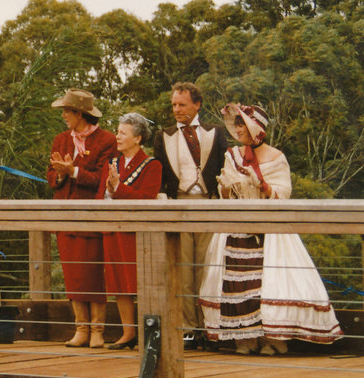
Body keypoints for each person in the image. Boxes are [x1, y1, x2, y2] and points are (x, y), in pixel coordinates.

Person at [199, 103, 342, 355]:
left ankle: (271, 338)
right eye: (238, 124)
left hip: (267, 229)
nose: (238, 129)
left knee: (266, 281)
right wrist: (228, 186)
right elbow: (225, 192)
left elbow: (283, 194)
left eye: (243, 124)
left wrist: (262, 186)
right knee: (237, 282)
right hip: (236, 228)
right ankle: (245, 338)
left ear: (257, 128)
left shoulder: (276, 157)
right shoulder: (232, 155)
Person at [152, 81, 228, 349]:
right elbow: (159, 177)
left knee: (209, 268)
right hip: (179, 205)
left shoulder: (215, 133)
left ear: (197, 104)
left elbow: (225, 169)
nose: (176, 109)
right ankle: (188, 328)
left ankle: (211, 327)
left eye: (181, 104)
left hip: (210, 204)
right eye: (173, 105)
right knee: (184, 270)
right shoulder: (164, 136)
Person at [47, 88, 118, 348]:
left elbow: (102, 179)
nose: (63, 115)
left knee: (93, 272)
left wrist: (74, 170)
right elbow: (51, 178)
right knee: (73, 272)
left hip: (92, 216)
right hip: (65, 215)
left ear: (79, 113)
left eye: (66, 111)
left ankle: (98, 330)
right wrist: (62, 174)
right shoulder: (61, 140)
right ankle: (81, 328)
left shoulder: (107, 140)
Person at [97, 112, 162, 350]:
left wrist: (118, 188)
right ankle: (128, 333)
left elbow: (146, 198)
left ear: (137, 138)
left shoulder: (152, 165)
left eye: (123, 133)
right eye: (117, 131)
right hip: (113, 229)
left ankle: (149, 333)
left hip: (137, 234)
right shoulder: (111, 164)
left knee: (139, 281)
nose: (117, 136)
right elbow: (101, 196)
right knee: (118, 282)